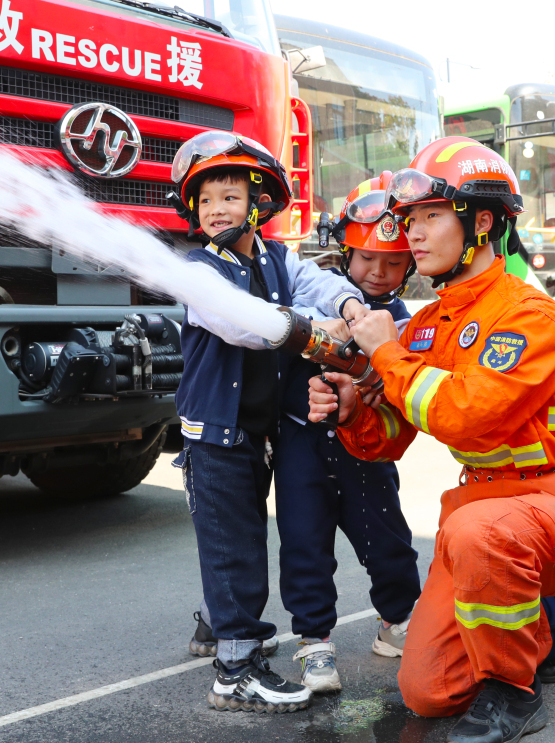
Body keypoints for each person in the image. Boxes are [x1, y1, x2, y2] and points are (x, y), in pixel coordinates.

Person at [308, 137, 555, 743]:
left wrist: (384, 354)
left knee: (480, 535)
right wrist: (351, 410)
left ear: (483, 222)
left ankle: (515, 693)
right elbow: (390, 438)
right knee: (429, 694)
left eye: (431, 217)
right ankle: (552, 618)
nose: (413, 235)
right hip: (480, 512)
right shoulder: (425, 328)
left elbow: (468, 416)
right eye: (410, 220)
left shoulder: (527, 315)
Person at [167, 131, 366, 713]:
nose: (215, 210)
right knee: (235, 546)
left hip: (254, 432)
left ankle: (226, 632)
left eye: (229, 197)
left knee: (244, 539)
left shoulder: (277, 259)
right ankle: (234, 670)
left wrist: (349, 305)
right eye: (205, 201)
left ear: (259, 204)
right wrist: (317, 327)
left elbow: (321, 284)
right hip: (216, 434)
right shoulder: (198, 270)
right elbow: (244, 324)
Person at [273, 174, 422, 692]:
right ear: (344, 251)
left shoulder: (406, 325)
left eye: (394, 261)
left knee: (389, 542)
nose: (378, 273)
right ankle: (314, 642)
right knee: (304, 545)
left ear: (411, 264)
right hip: (302, 445)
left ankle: (398, 622)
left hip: (368, 452)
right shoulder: (312, 297)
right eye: (365, 258)